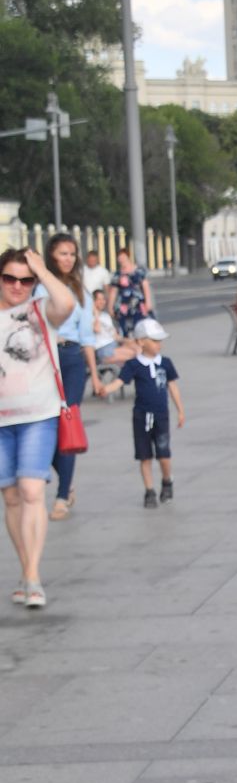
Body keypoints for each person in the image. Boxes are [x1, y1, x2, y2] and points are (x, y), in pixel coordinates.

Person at [1, 245, 74, 608]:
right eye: (9, 278)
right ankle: (26, 571)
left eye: (25, 279)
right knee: (12, 497)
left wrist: (42, 270)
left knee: (31, 489)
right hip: (0, 423)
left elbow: (68, 303)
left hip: (37, 417)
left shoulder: (40, 310)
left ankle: (32, 576)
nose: (17, 285)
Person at [44, 235, 97, 522]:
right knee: (47, 427)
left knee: (67, 424)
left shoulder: (81, 293)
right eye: (62, 253)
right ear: (50, 255)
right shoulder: (38, 288)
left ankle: (62, 495)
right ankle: (67, 481)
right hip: (45, 361)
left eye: (71, 254)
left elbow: (87, 338)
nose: (67, 259)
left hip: (73, 360)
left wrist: (96, 376)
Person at [118, 317, 184, 508]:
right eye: (154, 341)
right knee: (144, 456)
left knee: (164, 455)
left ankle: (167, 480)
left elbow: (173, 386)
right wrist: (105, 388)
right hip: (141, 416)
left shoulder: (166, 363)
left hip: (161, 415)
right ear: (141, 342)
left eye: (159, 341)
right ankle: (149, 491)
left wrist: (180, 410)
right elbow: (121, 381)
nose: (159, 345)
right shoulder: (134, 365)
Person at [106, 247, 152, 336]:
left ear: (128, 257)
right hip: (123, 306)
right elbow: (113, 291)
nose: (121, 259)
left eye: (123, 257)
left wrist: (148, 302)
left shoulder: (139, 270)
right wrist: (110, 306)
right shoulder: (117, 274)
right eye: (119, 257)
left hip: (138, 304)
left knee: (141, 328)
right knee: (125, 329)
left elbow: (145, 286)